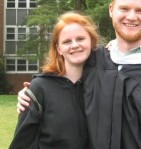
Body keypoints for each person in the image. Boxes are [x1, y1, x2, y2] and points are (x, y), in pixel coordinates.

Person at [17, 0, 141, 149]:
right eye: (124, 8)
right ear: (111, 10)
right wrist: (31, 95)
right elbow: (63, 78)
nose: (131, 17)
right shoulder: (97, 61)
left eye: (140, 10)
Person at [9, 11, 101, 149]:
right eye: (67, 41)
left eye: (81, 39)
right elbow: (23, 144)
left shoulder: (104, 84)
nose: (75, 45)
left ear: (91, 41)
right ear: (59, 49)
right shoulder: (40, 88)